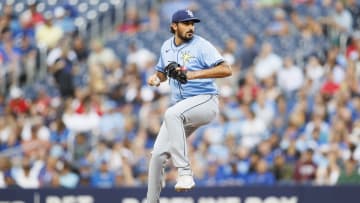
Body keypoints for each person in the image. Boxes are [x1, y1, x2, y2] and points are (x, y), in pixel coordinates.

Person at [146, 9, 232, 203]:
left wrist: (193, 74)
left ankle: (185, 173)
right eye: (186, 23)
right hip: (182, 108)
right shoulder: (166, 47)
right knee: (158, 155)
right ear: (174, 26)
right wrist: (156, 78)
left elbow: (226, 69)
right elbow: (162, 72)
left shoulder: (201, 45)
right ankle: (151, 201)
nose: (191, 27)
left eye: (192, 23)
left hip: (205, 101)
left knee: (171, 114)